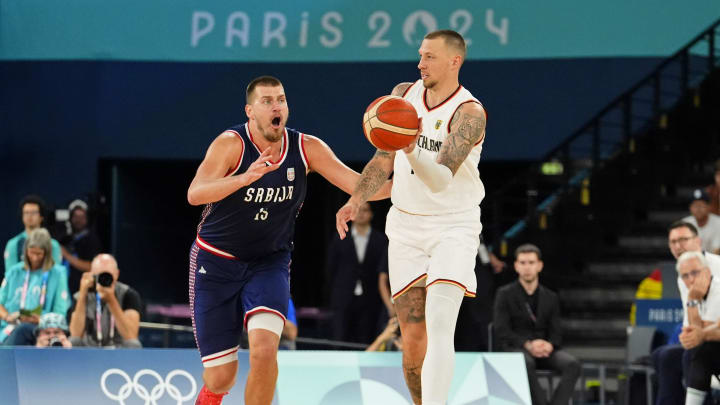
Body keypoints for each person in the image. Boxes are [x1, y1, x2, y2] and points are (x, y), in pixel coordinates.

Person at [186, 75, 391, 405]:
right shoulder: (230, 144)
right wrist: (246, 177)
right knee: (221, 378)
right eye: (266, 101)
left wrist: (410, 183)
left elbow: (359, 184)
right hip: (216, 261)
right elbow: (195, 194)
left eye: (280, 99)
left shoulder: (306, 147)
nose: (275, 106)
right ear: (250, 111)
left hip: (269, 262)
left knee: (266, 352)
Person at [336, 30, 487, 405]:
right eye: (420, 55)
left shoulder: (469, 113)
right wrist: (356, 199)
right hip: (405, 226)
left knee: (439, 325)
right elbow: (382, 159)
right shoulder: (403, 95)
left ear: (455, 61)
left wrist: (410, 148)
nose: (420, 63)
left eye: (430, 57)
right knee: (413, 343)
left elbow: (438, 180)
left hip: (453, 225)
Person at [493, 244, 579, 405]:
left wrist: (550, 345)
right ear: (516, 266)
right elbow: (501, 329)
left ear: (539, 265)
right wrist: (527, 344)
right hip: (517, 347)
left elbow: (556, 330)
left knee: (572, 364)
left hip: (544, 348)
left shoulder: (550, 296)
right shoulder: (504, 294)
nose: (527, 267)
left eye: (531, 262)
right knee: (526, 362)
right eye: (523, 263)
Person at [652, 221, 720, 405]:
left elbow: (710, 326)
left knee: (693, 355)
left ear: (698, 241)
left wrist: (700, 331)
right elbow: (693, 324)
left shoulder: (717, 269)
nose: (677, 246)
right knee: (662, 355)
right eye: (672, 242)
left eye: (682, 239)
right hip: (705, 339)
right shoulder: (684, 272)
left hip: (714, 341)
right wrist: (692, 301)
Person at [326, 202, 388, 344]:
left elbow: (383, 270)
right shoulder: (340, 237)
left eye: (365, 210)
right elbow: (331, 268)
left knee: (365, 339)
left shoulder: (380, 240)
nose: (361, 214)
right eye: (358, 210)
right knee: (340, 338)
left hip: (370, 298)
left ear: (371, 214)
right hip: (343, 297)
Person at [0, 228, 71, 345]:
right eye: (31, 252)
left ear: (47, 253)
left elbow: (60, 313)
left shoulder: (58, 273)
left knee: (22, 330)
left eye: (39, 253)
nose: (35, 257)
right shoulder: (14, 272)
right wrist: (8, 317)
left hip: (43, 330)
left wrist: (39, 320)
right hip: (9, 327)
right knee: (18, 330)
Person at [674, 251, 720, 405]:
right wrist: (693, 300)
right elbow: (696, 331)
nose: (691, 279)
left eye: (695, 272)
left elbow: (702, 332)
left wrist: (700, 335)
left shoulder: (718, 288)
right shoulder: (692, 293)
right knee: (670, 356)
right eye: (685, 276)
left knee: (700, 350)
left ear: (707, 272)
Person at [68, 253, 142, 348]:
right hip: (89, 349)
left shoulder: (128, 294)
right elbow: (75, 334)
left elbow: (131, 335)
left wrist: (111, 300)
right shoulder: (80, 295)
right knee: (73, 341)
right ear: (91, 274)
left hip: (118, 349)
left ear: (117, 274)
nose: (104, 279)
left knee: (133, 344)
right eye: (100, 275)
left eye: (108, 275)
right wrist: (83, 294)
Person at [4, 195, 62, 279]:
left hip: (45, 288)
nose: (29, 216)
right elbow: (10, 275)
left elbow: (56, 274)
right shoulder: (13, 244)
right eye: (26, 213)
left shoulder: (53, 244)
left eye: (34, 213)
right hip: (21, 289)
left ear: (41, 217)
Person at [59, 199, 103, 294]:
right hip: (65, 289)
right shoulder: (66, 239)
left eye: (82, 217)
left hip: (82, 290)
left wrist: (67, 255)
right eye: (75, 216)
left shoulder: (92, 240)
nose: (78, 220)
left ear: (87, 218)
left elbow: (91, 267)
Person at [682, 189, 720, 254]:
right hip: (690, 260)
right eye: (695, 205)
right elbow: (682, 249)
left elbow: (717, 251)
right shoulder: (685, 224)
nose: (698, 209)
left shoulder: (718, 222)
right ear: (690, 208)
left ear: (709, 207)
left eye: (701, 205)